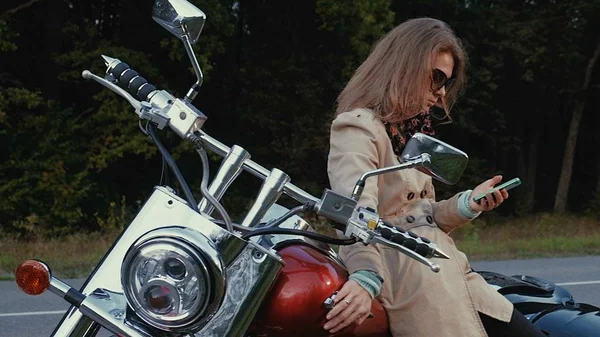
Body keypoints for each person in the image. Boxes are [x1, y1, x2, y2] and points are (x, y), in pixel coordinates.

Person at [323, 18, 545, 337]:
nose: (441, 93)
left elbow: (423, 215)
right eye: (435, 78)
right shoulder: (358, 127)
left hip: (453, 271)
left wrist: (469, 203)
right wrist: (366, 277)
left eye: (446, 82)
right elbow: (354, 215)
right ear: (402, 66)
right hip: (412, 277)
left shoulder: (410, 133)